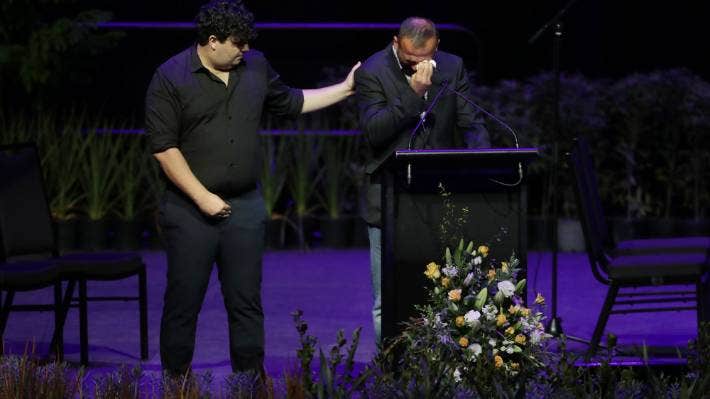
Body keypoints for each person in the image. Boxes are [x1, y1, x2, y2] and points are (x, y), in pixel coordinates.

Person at [145, 0, 359, 377]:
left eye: (247, 43)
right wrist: (202, 197)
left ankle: (248, 384)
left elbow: (291, 102)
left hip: (244, 205)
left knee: (246, 302)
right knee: (184, 301)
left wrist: (344, 89)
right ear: (213, 41)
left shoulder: (255, 66)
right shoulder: (170, 77)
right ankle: (176, 384)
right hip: (189, 209)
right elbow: (165, 148)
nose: (245, 50)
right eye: (238, 44)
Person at [355, 16, 489, 343]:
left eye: (425, 59)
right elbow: (375, 133)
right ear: (396, 43)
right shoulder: (372, 71)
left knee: (443, 289)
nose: (419, 67)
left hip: (437, 195)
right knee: (386, 295)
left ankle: (438, 369)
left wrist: (485, 160)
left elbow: (470, 121)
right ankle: (390, 371)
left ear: (437, 46)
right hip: (387, 196)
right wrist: (414, 94)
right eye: (411, 61)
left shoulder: (452, 66)